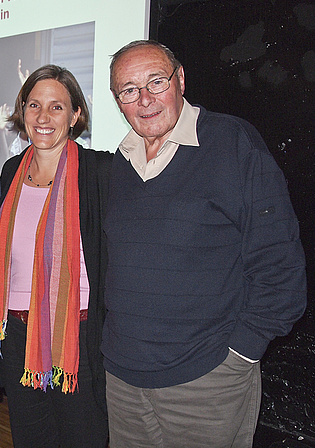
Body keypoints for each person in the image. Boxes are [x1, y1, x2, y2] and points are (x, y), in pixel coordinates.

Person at [103, 40, 307, 448]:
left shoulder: (232, 142)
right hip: (122, 382)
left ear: (180, 80)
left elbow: (279, 263)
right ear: (118, 101)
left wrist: (240, 355)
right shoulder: (119, 163)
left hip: (206, 381)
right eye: (128, 90)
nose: (144, 99)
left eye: (156, 82)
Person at [0, 64, 111, 448]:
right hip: (18, 335)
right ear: (22, 112)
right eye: (34, 105)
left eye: (57, 107)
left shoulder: (98, 171)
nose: (42, 116)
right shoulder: (10, 171)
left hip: (76, 337)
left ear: (75, 115)